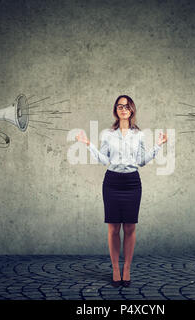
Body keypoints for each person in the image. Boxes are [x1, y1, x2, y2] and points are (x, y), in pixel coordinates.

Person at [76, 95, 167, 287]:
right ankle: (115, 269)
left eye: (126, 106)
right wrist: (87, 144)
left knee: (130, 228)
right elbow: (103, 159)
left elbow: (141, 161)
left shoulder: (139, 134)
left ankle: (127, 268)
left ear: (132, 109)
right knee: (113, 228)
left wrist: (158, 145)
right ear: (115, 110)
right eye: (119, 106)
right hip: (112, 182)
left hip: (132, 183)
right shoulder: (108, 134)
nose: (123, 109)